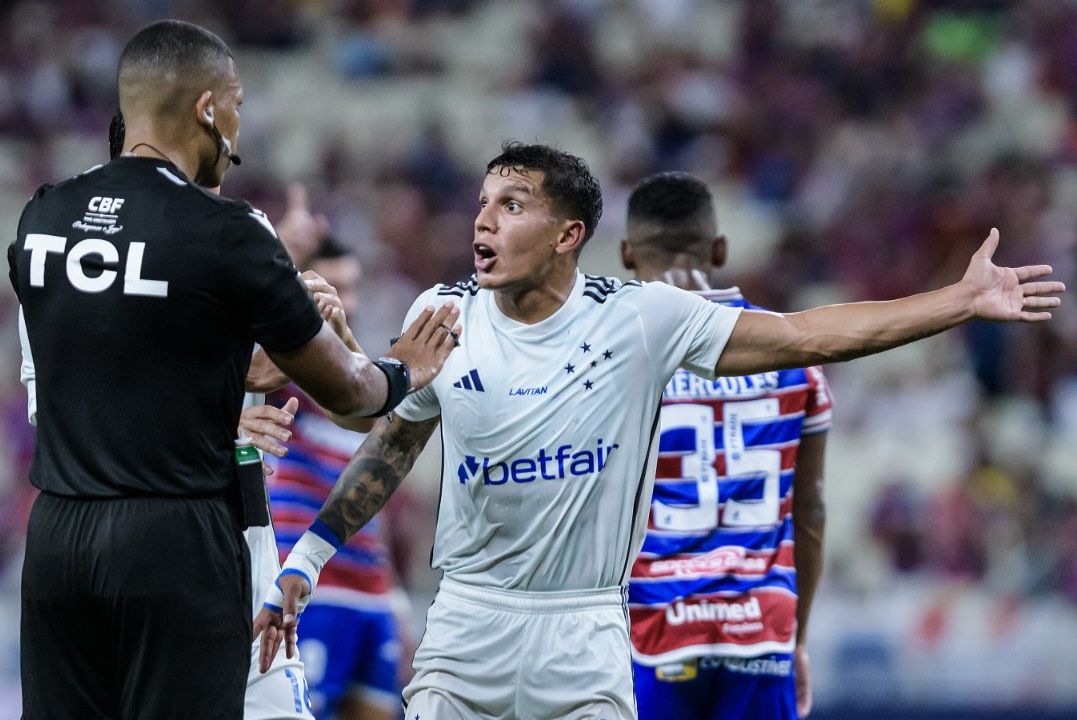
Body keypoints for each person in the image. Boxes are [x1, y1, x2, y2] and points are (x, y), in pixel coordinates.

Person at [257, 141, 1062, 720]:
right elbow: (390, 439)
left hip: (585, 636)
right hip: (466, 626)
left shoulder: (639, 320)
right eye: (481, 203)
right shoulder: (444, 313)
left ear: (569, 234)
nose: (485, 221)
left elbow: (809, 334)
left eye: (512, 204)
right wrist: (309, 556)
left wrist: (955, 302)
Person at [9, 20, 459, 720]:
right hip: (173, 541)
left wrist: (225, 375)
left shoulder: (41, 217)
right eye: (239, 106)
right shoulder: (226, 230)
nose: (240, 133)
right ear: (207, 109)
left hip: (58, 542)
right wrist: (404, 369)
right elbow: (349, 389)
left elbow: (123, 343)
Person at [620, 172, 830, 720]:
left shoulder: (608, 358)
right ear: (719, 249)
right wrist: (797, 641)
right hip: (761, 629)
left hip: (649, 631)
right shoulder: (793, 358)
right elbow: (809, 511)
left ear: (625, 254)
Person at [266, 237, 404, 720]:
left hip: (371, 589)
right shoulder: (279, 370)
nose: (348, 300)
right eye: (334, 287)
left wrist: (394, 593)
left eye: (352, 286)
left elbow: (374, 474)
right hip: (309, 589)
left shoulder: (363, 374)